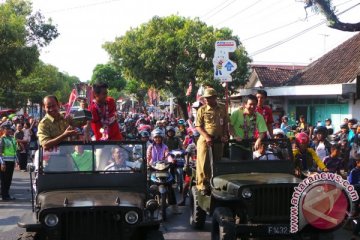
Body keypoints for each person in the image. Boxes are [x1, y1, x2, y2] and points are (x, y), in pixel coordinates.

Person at [195, 88, 228, 195]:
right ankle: (203, 185)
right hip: (205, 140)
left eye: (209, 98)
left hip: (218, 140)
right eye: (206, 98)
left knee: (217, 162)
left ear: (215, 98)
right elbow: (198, 126)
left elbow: (225, 124)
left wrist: (224, 135)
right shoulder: (202, 109)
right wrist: (207, 137)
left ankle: (216, 184)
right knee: (204, 163)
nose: (207, 100)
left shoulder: (222, 108)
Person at [229, 94, 268, 160]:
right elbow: (230, 125)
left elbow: (262, 131)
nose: (253, 106)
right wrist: (234, 136)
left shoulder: (259, 116)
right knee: (236, 168)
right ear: (245, 104)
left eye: (255, 104)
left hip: (249, 146)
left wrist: (258, 140)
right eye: (250, 104)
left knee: (248, 167)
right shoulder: (236, 113)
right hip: (236, 145)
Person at [0, 123, 17, 200]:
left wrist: (16, 161)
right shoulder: (2, 139)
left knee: (9, 179)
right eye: (7, 129)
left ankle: (7, 194)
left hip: (11, 162)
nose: (8, 130)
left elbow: (14, 150)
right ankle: (4, 196)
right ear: (3, 130)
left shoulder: (12, 138)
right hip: (5, 162)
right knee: (4, 180)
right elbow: (0, 153)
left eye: (9, 129)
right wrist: (2, 163)